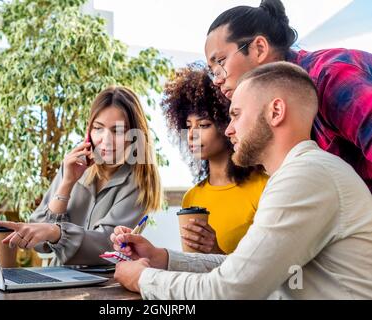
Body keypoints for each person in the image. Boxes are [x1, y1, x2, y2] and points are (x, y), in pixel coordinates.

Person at [110, 62, 372, 300]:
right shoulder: (302, 173)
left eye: (236, 114)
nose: (229, 129)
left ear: (276, 111)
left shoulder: (305, 176)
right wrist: (163, 259)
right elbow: (244, 269)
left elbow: (230, 290)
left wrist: (143, 279)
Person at [204, 0, 372, 192]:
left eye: (221, 62)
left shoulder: (330, 77)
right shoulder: (271, 114)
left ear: (259, 48)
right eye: (212, 70)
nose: (216, 80)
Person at [0, 86, 162, 266]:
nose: (105, 140)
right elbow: (39, 242)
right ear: (89, 130)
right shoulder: (73, 166)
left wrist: (56, 232)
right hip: (60, 277)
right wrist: (67, 183)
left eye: (118, 131)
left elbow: (107, 244)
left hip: (105, 284)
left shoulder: (140, 183)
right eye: (98, 128)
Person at [161, 64, 268, 254]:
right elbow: (193, 266)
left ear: (227, 125)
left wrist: (215, 251)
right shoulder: (192, 198)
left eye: (203, 125)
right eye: (188, 125)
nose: (192, 134)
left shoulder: (264, 187)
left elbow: (267, 269)